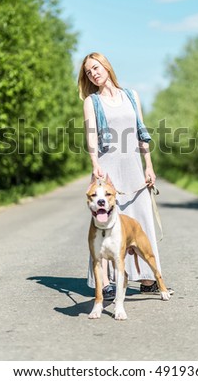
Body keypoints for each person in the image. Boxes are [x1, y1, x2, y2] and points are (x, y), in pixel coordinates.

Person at [78, 52, 165, 300]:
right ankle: (104, 282)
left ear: (106, 66)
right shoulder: (91, 101)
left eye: (96, 68)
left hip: (133, 165)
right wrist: (95, 163)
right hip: (107, 167)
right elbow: (91, 135)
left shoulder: (131, 95)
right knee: (106, 221)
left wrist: (148, 164)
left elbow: (141, 131)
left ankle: (148, 279)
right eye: (88, 72)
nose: (93, 73)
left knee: (141, 217)